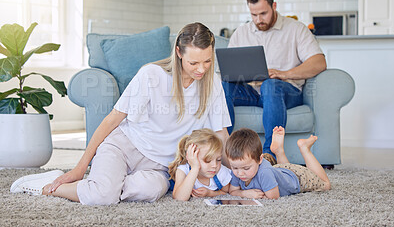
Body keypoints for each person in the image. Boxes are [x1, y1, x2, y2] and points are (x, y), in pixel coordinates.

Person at [10, 22, 231, 205]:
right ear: (178, 53)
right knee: (102, 197)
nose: (201, 69)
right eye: (194, 62)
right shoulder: (151, 76)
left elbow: (221, 134)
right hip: (124, 147)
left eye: (207, 61)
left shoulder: (213, 84)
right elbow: (113, 119)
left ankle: (104, 183)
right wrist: (79, 168)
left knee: (152, 191)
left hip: (159, 165)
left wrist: (246, 165)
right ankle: (50, 186)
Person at [222, 0, 327, 156]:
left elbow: (319, 62)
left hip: (286, 91)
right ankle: (224, 151)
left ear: (274, 6)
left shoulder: (296, 29)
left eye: (263, 13)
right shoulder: (242, 32)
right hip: (253, 92)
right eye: (254, 15)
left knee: (270, 85)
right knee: (224, 86)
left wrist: (284, 74)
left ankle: (270, 153)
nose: (258, 20)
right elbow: (230, 68)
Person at [225, 127, 331, 199]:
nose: (240, 174)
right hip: (280, 169)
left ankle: (305, 148)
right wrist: (244, 193)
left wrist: (252, 195)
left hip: (298, 177)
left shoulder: (264, 173)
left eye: (246, 168)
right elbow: (232, 191)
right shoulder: (238, 169)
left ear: (259, 160)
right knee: (280, 171)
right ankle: (279, 151)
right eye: (235, 168)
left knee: (326, 185)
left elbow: (273, 197)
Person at [168, 128, 231, 201]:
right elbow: (179, 198)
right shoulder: (183, 170)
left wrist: (210, 193)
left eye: (218, 160)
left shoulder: (221, 172)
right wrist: (195, 168)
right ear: (192, 158)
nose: (214, 165)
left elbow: (226, 192)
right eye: (207, 161)